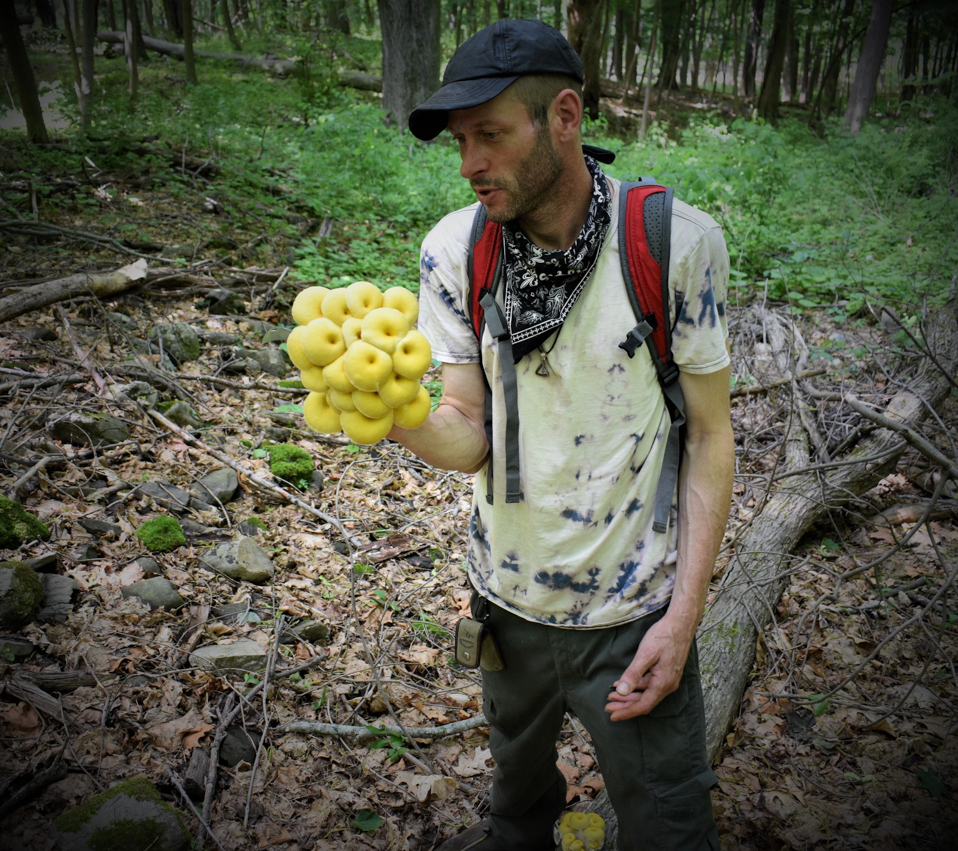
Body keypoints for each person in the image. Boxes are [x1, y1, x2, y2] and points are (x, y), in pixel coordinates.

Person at [388, 17, 734, 851]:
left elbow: (712, 440)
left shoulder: (673, 246)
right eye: (460, 141)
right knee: (518, 808)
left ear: (567, 117)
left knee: (669, 823)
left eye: (492, 136)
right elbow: (471, 433)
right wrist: (391, 413)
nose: (470, 163)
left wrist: (681, 619)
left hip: (631, 616)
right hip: (504, 608)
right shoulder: (455, 250)